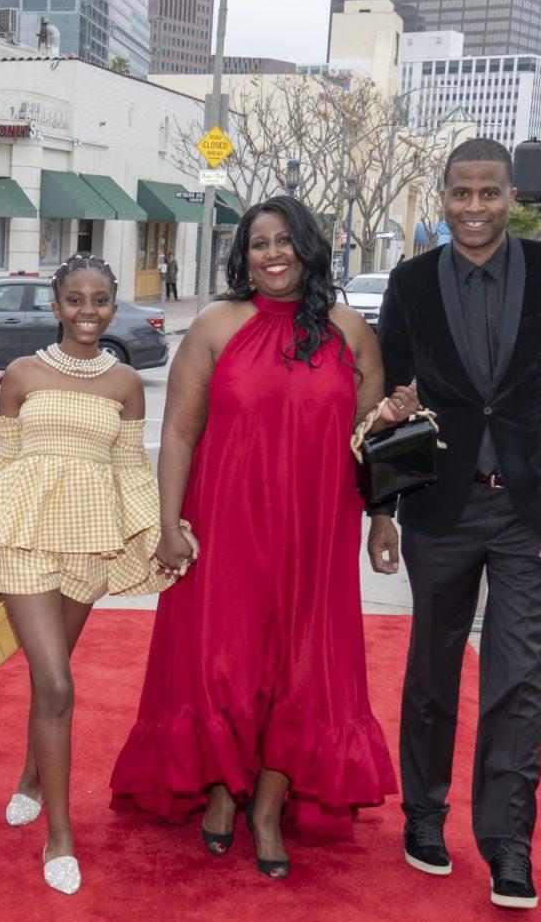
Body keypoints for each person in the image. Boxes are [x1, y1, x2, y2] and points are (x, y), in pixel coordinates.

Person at [110, 196, 414, 878]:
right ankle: (221, 793)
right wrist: (167, 523)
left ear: (310, 247)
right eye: (258, 243)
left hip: (316, 530)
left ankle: (267, 806)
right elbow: (180, 430)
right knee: (224, 663)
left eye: (284, 241)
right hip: (225, 522)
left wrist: (385, 510)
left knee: (304, 668)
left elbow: (374, 442)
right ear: (242, 255)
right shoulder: (217, 324)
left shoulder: (351, 332)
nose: (272, 254)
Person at [367, 138, 541, 911]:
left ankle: (509, 844)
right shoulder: (408, 282)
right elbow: (388, 404)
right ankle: (425, 818)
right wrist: (384, 509)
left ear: (511, 196)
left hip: (532, 509)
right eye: (461, 193)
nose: (475, 208)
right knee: (432, 671)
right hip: (442, 505)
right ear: (442, 194)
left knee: (517, 675)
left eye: (489, 193)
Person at [0, 252, 181, 895]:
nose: (88, 312)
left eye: (100, 300)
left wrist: (163, 528)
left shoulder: (126, 382)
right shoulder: (23, 374)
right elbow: (6, 461)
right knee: (56, 683)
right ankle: (61, 835)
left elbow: (132, 470)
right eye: (75, 300)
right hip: (25, 537)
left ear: (114, 306)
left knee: (49, 683)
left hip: (88, 542)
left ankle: (32, 776)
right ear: (55, 307)